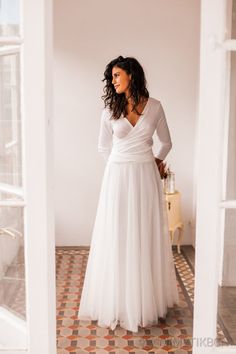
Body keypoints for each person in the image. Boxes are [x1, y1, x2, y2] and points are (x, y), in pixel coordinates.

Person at [78, 55, 180, 333]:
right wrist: (119, 163)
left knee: (144, 231)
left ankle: (146, 301)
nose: (113, 81)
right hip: (118, 176)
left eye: (117, 76)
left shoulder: (156, 107)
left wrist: (155, 162)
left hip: (146, 175)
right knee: (118, 231)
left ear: (131, 76)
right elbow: (102, 147)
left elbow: (166, 142)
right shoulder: (109, 111)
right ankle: (118, 300)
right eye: (111, 77)